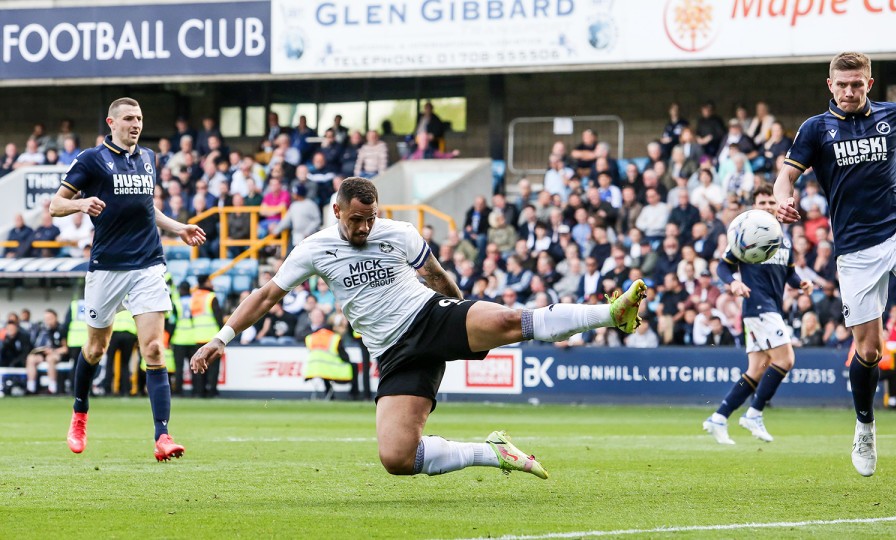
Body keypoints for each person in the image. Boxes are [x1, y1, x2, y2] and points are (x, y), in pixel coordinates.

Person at [191, 177, 648, 479]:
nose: (365, 227)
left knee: (511, 320)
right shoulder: (313, 249)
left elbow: (436, 277)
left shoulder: (399, 232)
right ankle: (493, 451)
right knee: (397, 458)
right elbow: (266, 296)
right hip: (393, 353)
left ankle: (612, 313)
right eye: (356, 219)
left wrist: (462, 310)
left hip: (430, 316)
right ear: (336, 211)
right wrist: (220, 338)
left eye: (371, 217)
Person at [775, 52, 896, 477]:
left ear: (869, 84)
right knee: (869, 351)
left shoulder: (893, 116)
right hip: (855, 250)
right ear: (830, 85)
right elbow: (786, 175)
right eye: (842, 84)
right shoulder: (815, 128)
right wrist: (783, 199)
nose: (849, 91)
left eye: (857, 83)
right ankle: (865, 427)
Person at [50, 97, 205, 461]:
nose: (136, 124)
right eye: (129, 118)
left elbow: (145, 206)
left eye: (139, 118)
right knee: (95, 349)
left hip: (148, 264)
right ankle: (80, 413)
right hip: (107, 267)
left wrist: (178, 227)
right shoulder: (91, 159)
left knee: (154, 349)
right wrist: (81, 203)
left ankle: (162, 436)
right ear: (112, 122)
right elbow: (56, 205)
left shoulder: (148, 157)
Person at [703, 184, 813, 445]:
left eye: (771, 202)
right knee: (786, 359)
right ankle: (754, 413)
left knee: (756, 370)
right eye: (762, 203)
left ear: (778, 205)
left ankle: (719, 417)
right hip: (758, 306)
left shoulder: (782, 237)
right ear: (754, 206)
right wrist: (733, 283)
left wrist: (800, 283)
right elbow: (722, 267)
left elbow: (789, 273)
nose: (767, 206)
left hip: (770, 308)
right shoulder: (745, 233)